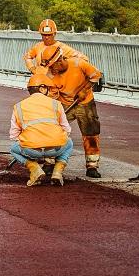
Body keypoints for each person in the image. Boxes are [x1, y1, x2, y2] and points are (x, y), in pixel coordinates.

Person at [42, 44, 104, 178]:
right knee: (55, 130)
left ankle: (92, 166)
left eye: (53, 66)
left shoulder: (79, 63)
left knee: (90, 134)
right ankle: (49, 162)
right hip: (64, 103)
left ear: (60, 60)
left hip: (85, 103)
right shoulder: (50, 75)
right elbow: (52, 95)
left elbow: (96, 76)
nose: (52, 69)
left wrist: (85, 89)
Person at [10, 74, 74, 186]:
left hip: (31, 150)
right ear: (42, 88)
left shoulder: (19, 106)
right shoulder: (56, 104)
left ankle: (34, 169)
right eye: (48, 89)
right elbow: (67, 130)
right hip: (56, 149)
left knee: (14, 149)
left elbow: (13, 135)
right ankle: (57, 172)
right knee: (69, 143)